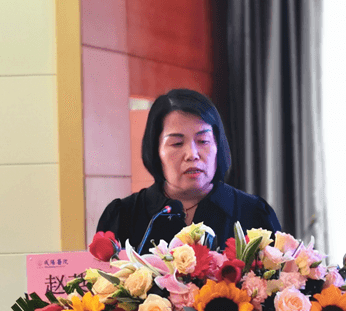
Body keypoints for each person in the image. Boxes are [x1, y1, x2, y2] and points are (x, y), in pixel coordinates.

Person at [96, 88, 281, 252]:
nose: (192, 154)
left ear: (217, 145)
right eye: (177, 143)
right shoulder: (123, 216)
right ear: (156, 150)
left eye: (203, 141)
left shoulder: (254, 214)